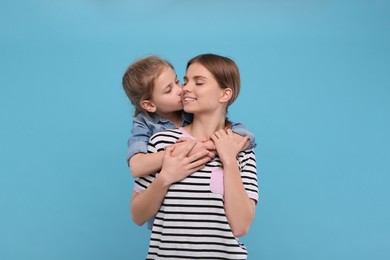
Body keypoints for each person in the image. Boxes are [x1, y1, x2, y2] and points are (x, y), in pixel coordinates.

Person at [131, 54, 259, 259]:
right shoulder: (162, 143)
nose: (186, 88)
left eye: (198, 82)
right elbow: (137, 216)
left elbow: (241, 226)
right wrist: (165, 178)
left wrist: (229, 160)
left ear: (225, 94)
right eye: (186, 80)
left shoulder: (239, 146)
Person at [122, 56, 256, 179]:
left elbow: (244, 135)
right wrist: (181, 151)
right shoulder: (144, 124)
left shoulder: (192, 110)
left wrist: (207, 145)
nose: (182, 89)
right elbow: (136, 167)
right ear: (150, 105)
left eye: (177, 81)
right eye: (168, 90)